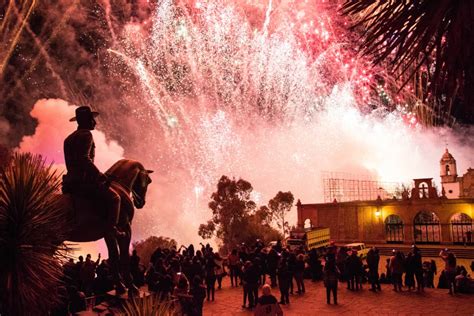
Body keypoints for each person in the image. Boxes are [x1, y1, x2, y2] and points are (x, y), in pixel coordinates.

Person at [63, 105, 124, 238]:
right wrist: (99, 175)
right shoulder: (86, 135)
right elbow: (84, 159)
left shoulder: (69, 138)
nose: (94, 122)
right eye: (92, 119)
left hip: (70, 182)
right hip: (84, 182)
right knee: (115, 198)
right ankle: (111, 229)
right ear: (85, 120)